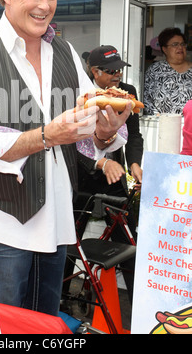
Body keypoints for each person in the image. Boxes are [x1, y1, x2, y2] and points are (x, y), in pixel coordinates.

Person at [0, 0, 132, 316]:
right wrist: (45, 135)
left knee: (44, 324)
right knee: (3, 324)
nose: (44, 5)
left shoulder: (63, 51)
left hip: (57, 218)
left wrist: (105, 134)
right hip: (4, 221)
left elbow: (85, 131)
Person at [63, 45, 143, 304]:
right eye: (110, 71)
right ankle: (61, 300)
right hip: (80, 178)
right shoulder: (76, 95)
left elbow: (134, 135)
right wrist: (99, 163)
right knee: (69, 243)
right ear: (93, 72)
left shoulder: (127, 94)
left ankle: (138, 304)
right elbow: (68, 142)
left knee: (129, 239)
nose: (117, 75)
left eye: (119, 69)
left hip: (114, 176)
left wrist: (134, 164)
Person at [144, 27, 192, 115]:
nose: (180, 47)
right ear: (165, 49)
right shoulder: (155, 70)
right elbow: (146, 99)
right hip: (161, 124)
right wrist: (157, 117)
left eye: (182, 44)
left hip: (189, 125)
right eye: (175, 44)